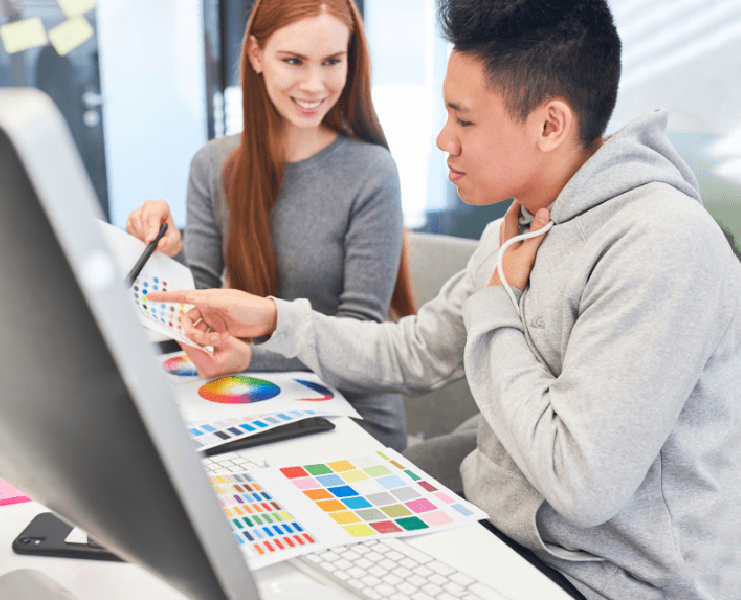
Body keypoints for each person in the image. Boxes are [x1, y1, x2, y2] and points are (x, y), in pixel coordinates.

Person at [149, 0, 741, 598]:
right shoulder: (520, 226)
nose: (442, 139)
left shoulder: (663, 245)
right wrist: (276, 319)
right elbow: (416, 353)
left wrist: (498, 305)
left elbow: (580, 482)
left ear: (549, 125)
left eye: (464, 120)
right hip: (499, 532)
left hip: (605, 579)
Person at [126, 0, 416, 451]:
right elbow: (199, 307)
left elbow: (358, 334)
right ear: (257, 55)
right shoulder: (212, 165)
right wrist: (167, 253)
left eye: (332, 62)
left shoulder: (371, 171)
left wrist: (249, 358)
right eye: (293, 61)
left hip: (352, 419)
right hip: (255, 404)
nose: (314, 84)